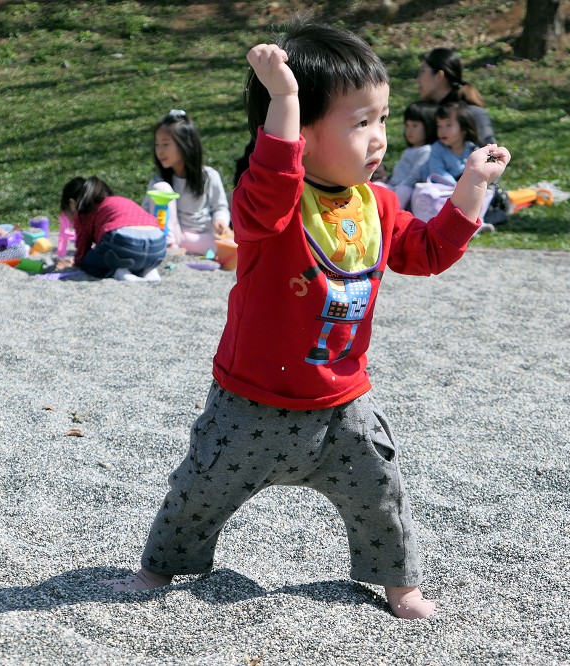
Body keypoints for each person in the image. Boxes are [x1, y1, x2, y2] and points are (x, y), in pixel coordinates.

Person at [106, 23, 510, 620]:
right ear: (302, 134)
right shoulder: (267, 203)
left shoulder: (379, 204)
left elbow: (426, 254)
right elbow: (274, 181)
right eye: (359, 123)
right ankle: (160, 566)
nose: (378, 140)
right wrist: (285, 101)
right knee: (199, 490)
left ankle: (398, 584)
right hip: (252, 402)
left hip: (343, 405)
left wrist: (473, 186)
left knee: (381, 494)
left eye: (381, 119)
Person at [143, 110, 231, 256]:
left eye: (165, 144)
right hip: (173, 236)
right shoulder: (159, 181)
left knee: (235, 249)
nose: (159, 151)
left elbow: (220, 207)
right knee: (161, 189)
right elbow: (146, 212)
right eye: (157, 144)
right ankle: (169, 246)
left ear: (185, 145)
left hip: (201, 236)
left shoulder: (209, 176)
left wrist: (220, 221)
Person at [56, 176, 166, 282]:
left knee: (88, 262)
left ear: (72, 204)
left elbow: (82, 249)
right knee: (132, 256)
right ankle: (149, 270)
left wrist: (77, 262)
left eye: (67, 216)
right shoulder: (117, 200)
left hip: (125, 244)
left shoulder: (83, 213)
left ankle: (118, 272)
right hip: (158, 247)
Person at [417, 47, 496, 146]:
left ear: (439, 76)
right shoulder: (424, 114)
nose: (418, 79)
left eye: (422, 72)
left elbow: (491, 155)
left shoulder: (472, 114)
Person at [383, 101, 437, 207]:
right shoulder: (410, 150)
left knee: (404, 191)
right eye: (407, 125)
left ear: (429, 127)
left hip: (406, 188)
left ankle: (393, 215)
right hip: (393, 185)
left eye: (415, 126)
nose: (409, 130)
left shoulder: (426, 150)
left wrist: (398, 186)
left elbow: (414, 175)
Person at [427, 102, 481, 185]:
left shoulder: (472, 148)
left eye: (448, 125)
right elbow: (437, 171)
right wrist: (455, 185)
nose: (443, 130)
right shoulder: (437, 148)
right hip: (444, 188)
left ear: (463, 128)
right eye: (439, 126)